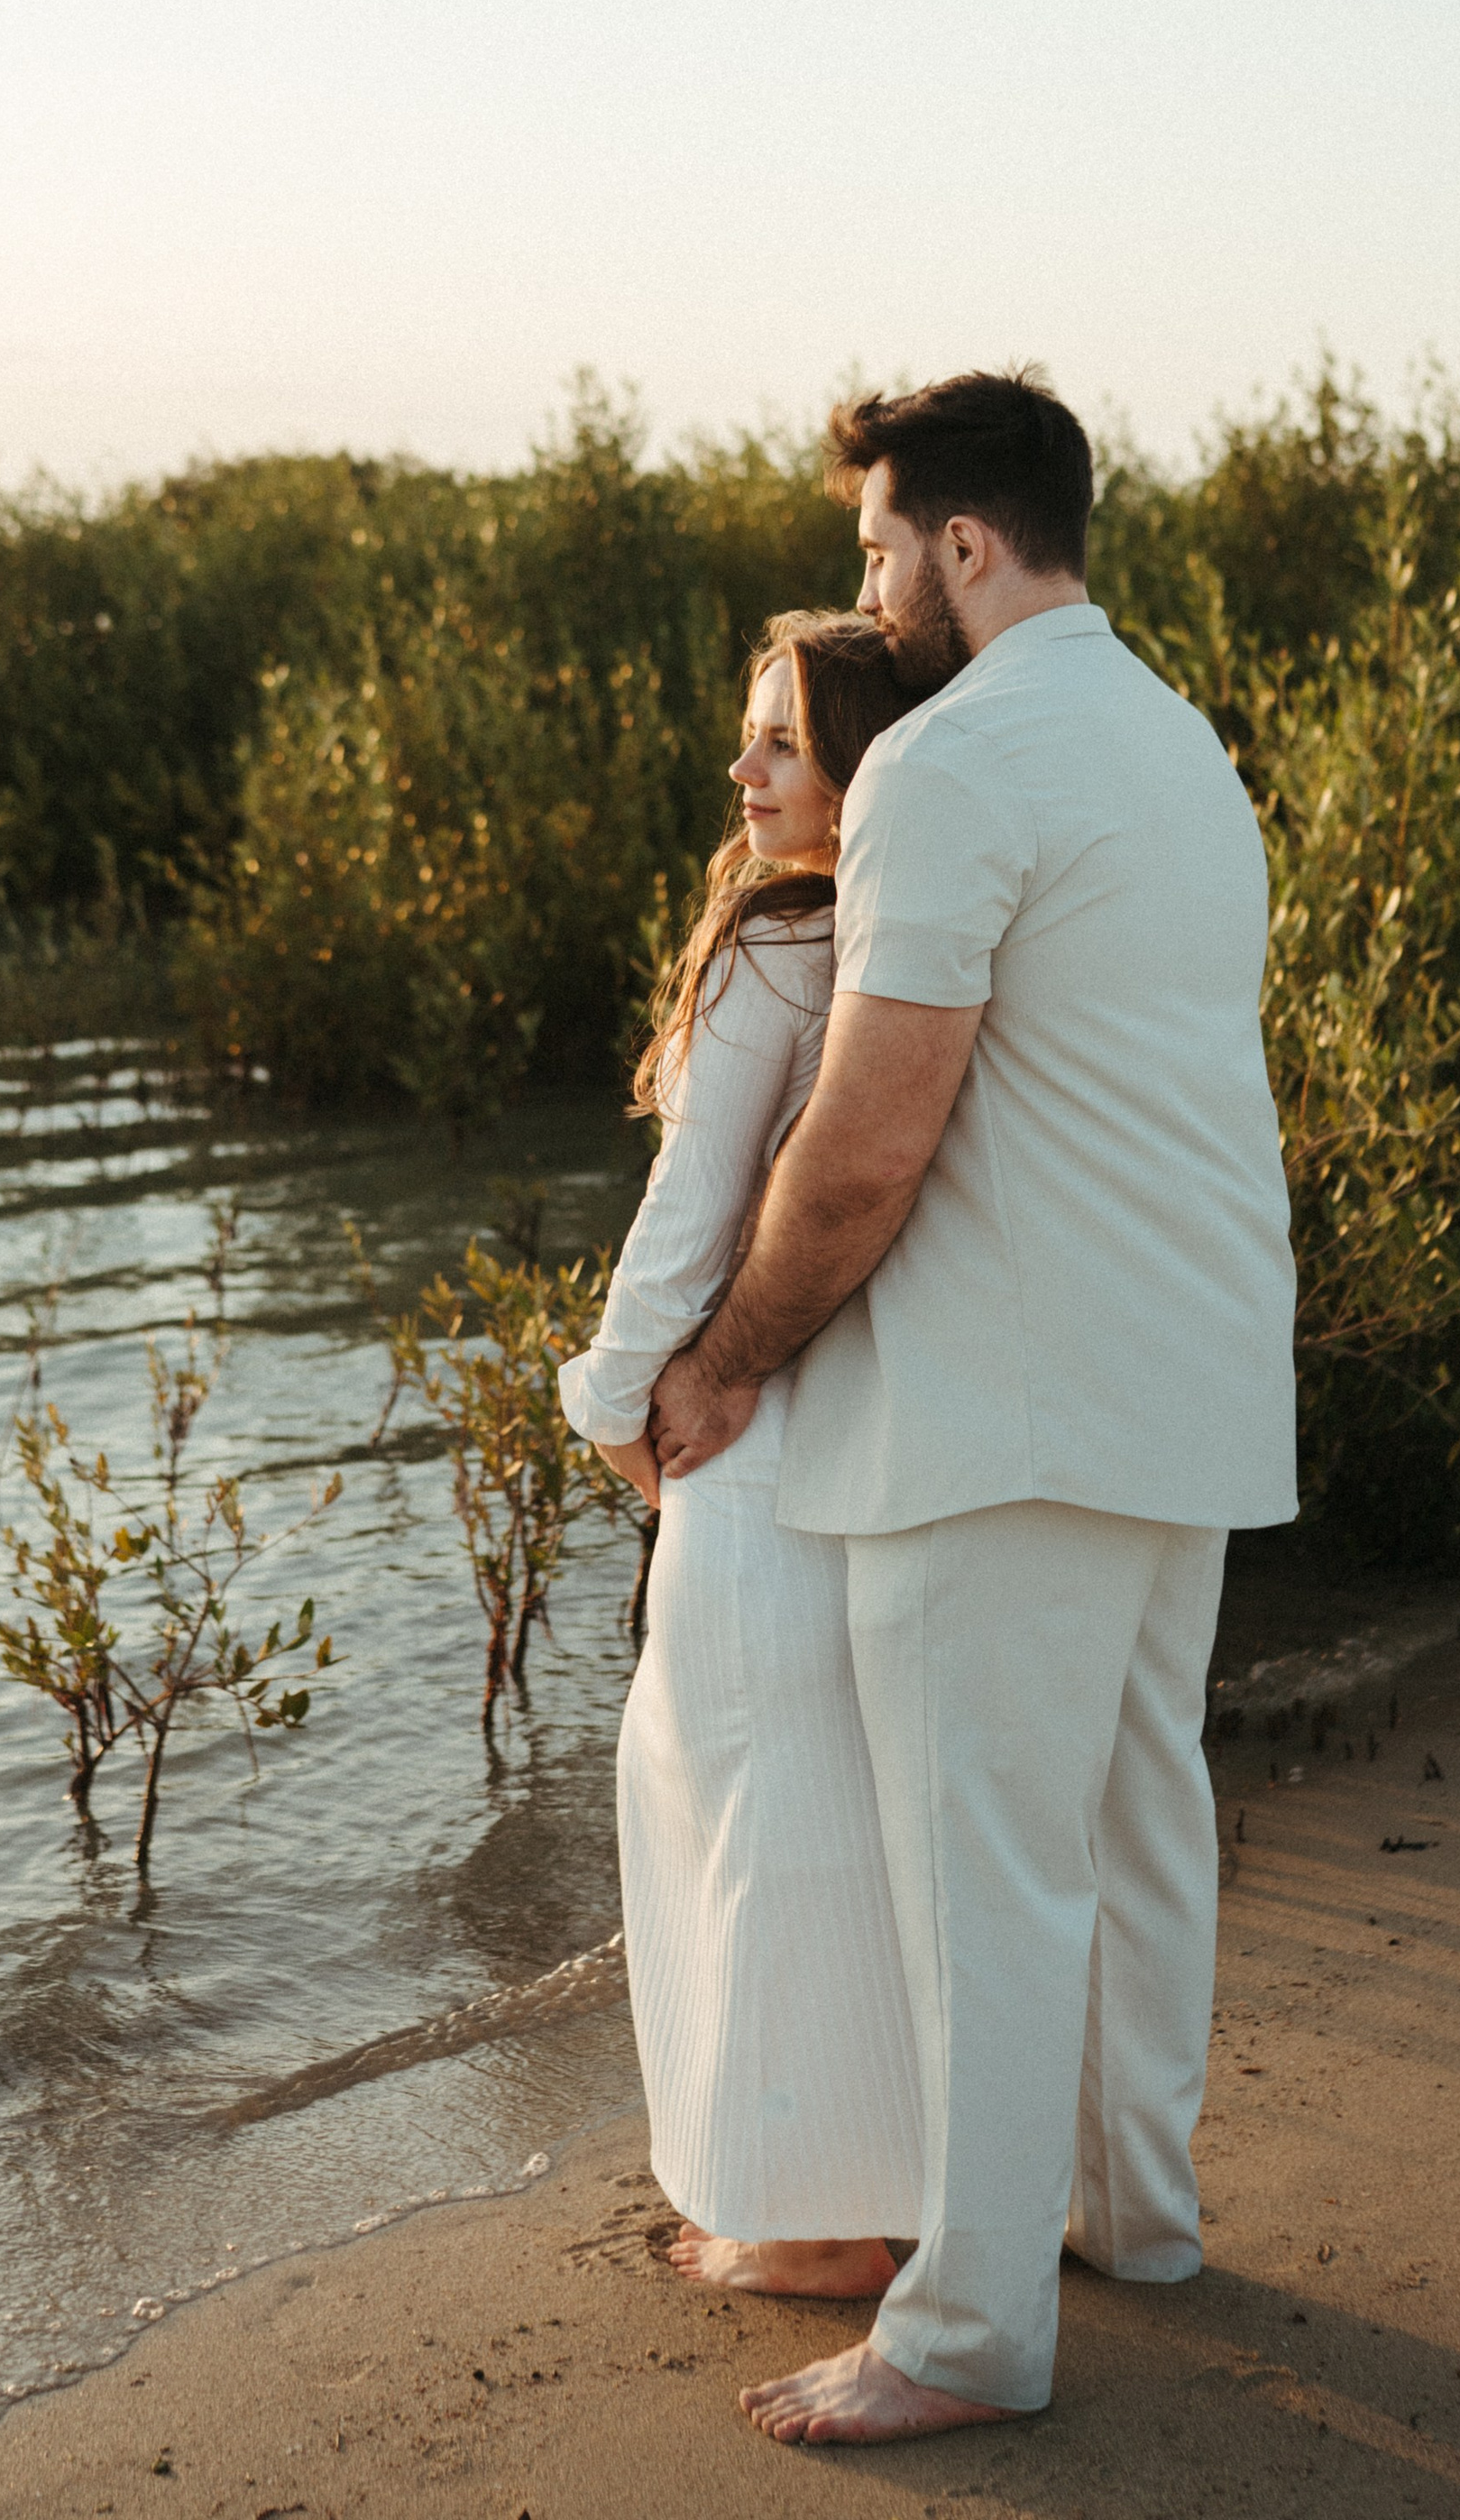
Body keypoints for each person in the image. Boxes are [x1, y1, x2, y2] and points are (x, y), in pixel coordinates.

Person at [649, 368, 1298, 2447]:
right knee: (1131, 1825)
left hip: (1004, 1408)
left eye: (871, 549)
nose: (864, 587)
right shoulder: (1178, 748)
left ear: (955, 544)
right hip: (1187, 1369)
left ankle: (962, 2331)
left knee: (985, 1869)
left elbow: (864, 1141)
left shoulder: (950, 761)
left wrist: (720, 1356)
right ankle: (1138, 2213)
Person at [558, 612, 930, 2296]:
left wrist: (607, 1393)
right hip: (863, 1424)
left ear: (861, 768)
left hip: (746, 1431)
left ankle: (806, 2220)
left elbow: (692, 1202)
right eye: (749, 733)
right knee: (832, 1805)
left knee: (733, 1796)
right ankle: (879, 2187)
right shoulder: (904, 939)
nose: (745, 769)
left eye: (782, 740)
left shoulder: (775, 947)